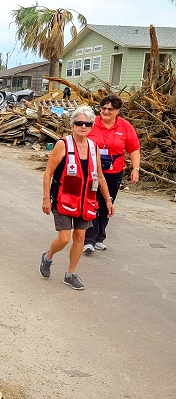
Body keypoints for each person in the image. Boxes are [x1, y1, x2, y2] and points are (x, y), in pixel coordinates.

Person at [40, 106, 115, 290]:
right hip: (63, 199)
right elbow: (48, 173)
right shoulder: (62, 144)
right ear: (72, 125)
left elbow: (100, 175)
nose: (83, 126)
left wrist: (108, 199)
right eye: (79, 123)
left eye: (87, 124)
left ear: (91, 126)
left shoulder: (93, 146)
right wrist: (46, 199)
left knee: (80, 237)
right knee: (64, 238)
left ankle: (70, 274)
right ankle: (48, 257)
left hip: (86, 200)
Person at [83, 94, 140, 253]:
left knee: (107, 204)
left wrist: (135, 168)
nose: (106, 111)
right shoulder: (91, 122)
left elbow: (133, 148)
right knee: (93, 203)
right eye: (103, 108)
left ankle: (100, 237)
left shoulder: (125, 126)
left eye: (110, 109)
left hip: (114, 172)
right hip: (92, 172)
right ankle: (89, 240)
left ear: (118, 111)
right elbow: (78, 140)